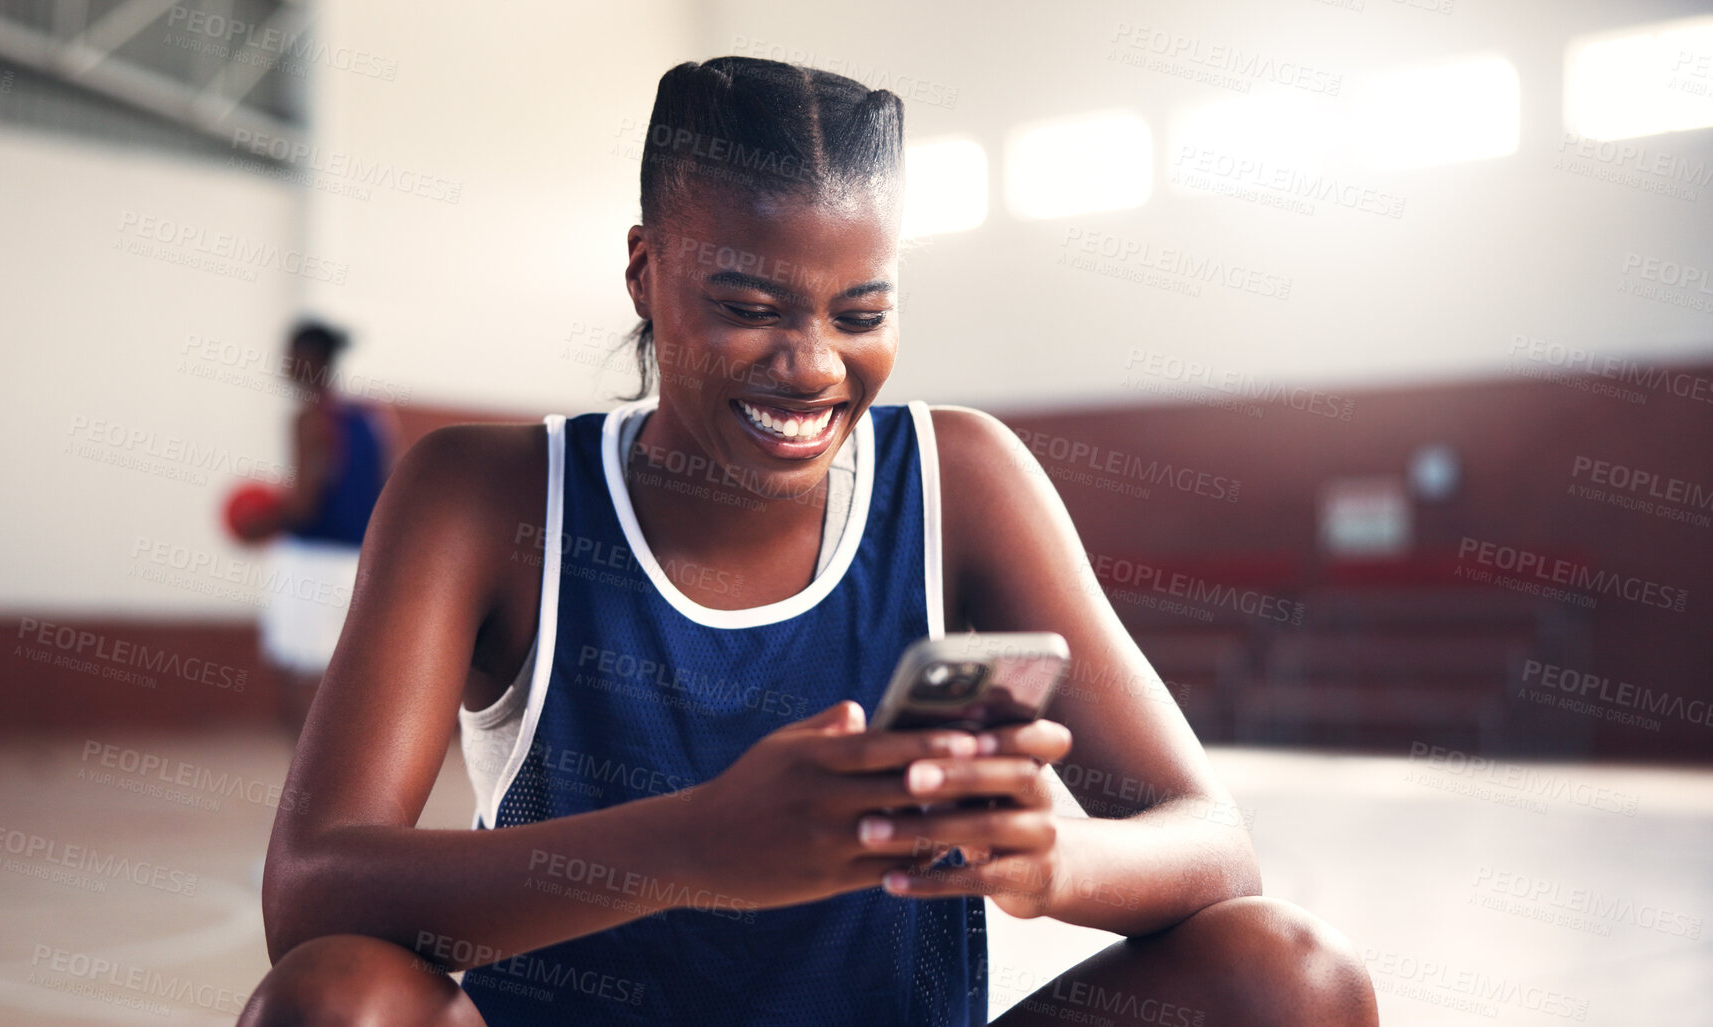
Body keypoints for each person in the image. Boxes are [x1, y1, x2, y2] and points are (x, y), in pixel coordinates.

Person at [237, 58, 1378, 1026]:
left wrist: (1049, 857)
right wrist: (697, 846)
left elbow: (1212, 844)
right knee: (334, 1001)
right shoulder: (484, 495)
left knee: (1290, 978)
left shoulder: (962, 477)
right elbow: (310, 890)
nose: (814, 364)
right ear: (644, 271)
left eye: (861, 313)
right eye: (750, 308)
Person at [238, 320, 397, 732]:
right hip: (360, 562)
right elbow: (385, 490)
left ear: (313, 359)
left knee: (302, 680)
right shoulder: (374, 417)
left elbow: (305, 505)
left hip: (312, 563)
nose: (285, 363)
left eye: (291, 354)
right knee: (349, 681)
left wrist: (257, 522)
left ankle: (307, 773)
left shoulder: (309, 418)